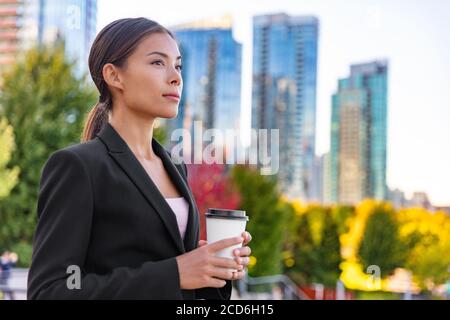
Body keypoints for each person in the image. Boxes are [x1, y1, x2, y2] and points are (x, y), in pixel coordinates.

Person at [27, 17, 252, 300]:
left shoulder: (175, 167)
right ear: (114, 76)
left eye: (178, 65)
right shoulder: (78, 167)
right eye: (158, 62)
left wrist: (211, 268)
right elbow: (51, 290)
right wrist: (176, 272)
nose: (176, 77)